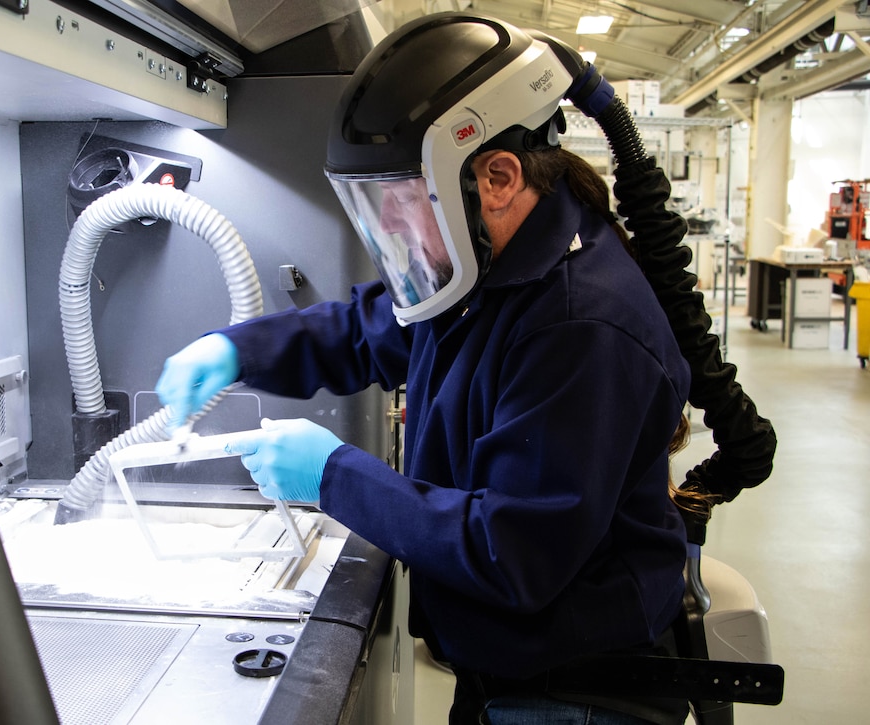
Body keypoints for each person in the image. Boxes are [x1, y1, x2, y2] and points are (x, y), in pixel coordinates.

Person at [157, 13, 692, 725]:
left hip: (577, 695)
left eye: (400, 203)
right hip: (513, 665)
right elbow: (362, 330)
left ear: (495, 178)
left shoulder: (578, 324)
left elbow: (511, 553)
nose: (393, 234)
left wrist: (334, 475)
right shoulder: (485, 265)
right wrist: (235, 349)